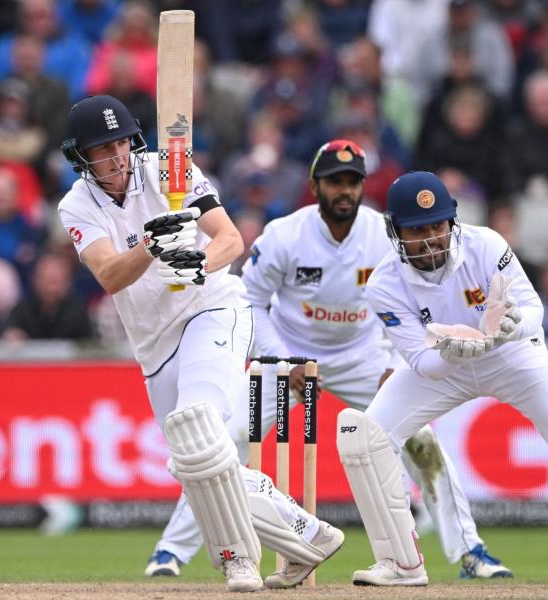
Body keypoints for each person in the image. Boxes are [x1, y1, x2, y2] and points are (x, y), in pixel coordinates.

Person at [146, 140, 512, 582]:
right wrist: (284, 360)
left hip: (363, 355)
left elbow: (411, 302)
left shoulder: (383, 234)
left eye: (353, 182)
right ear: (316, 185)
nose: (345, 191)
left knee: (421, 442)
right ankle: (171, 551)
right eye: (335, 181)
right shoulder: (285, 234)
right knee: (221, 442)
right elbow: (251, 300)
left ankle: (470, 550)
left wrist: (396, 361)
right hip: (287, 354)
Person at [56, 95, 343, 592]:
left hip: (212, 308)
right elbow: (108, 274)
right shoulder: (75, 205)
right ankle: (307, 534)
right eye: (103, 149)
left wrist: (198, 263)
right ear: (81, 157)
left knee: (201, 430)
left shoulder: (170, 167)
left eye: (122, 142)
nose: (118, 156)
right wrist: (150, 244)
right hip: (154, 342)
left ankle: (238, 560)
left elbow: (230, 239)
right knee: (196, 462)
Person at [335, 170, 548, 588]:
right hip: (443, 366)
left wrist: (505, 328)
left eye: (437, 225)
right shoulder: (384, 283)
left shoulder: (486, 244)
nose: (430, 238)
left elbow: (533, 309)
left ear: (452, 222)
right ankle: (399, 563)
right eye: (417, 229)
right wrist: (457, 351)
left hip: (512, 356)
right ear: (395, 231)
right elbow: (421, 362)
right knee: (365, 436)